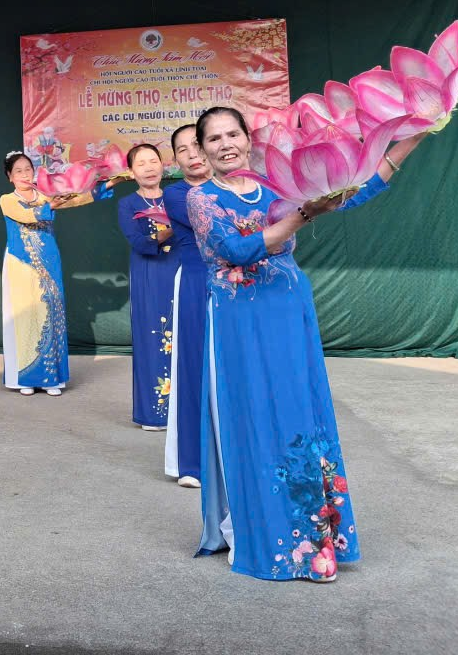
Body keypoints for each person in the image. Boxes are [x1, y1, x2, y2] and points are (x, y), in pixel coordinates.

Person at [188, 106, 360, 582]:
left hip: (288, 309)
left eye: (233, 134)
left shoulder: (277, 184)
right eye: (214, 138)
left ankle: (316, 539)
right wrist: (304, 214)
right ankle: (264, 535)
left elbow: (353, 192)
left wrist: (410, 137)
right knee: (254, 417)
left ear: (248, 138)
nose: (225, 144)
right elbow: (237, 250)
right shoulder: (201, 198)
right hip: (239, 320)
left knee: (299, 411)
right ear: (202, 149)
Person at [0, 152, 109, 396]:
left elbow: (77, 198)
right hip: (20, 264)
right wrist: (51, 205)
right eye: (18, 171)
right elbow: (26, 216)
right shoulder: (7, 200)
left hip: (49, 261)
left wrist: (111, 182)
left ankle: (51, 379)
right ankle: (24, 379)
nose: (24, 174)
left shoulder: (45, 195)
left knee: (51, 313)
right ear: (10, 177)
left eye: (28, 169)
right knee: (24, 316)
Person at [162, 126, 212, 487]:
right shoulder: (177, 194)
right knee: (194, 366)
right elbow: (213, 224)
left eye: (197, 144)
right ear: (176, 161)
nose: (192, 154)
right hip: (196, 282)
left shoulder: (243, 184)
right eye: (182, 150)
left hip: (242, 282)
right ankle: (193, 462)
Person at [117, 144, 176, 430]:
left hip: (181, 271)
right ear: (131, 172)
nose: (149, 168)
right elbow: (139, 242)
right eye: (141, 163)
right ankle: (155, 413)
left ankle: (185, 411)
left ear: (163, 165)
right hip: (149, 275)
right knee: (153, 337)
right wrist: (172, 230)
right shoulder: (128, 204)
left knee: (185, 337)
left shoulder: (177, 197)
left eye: (153, 161)